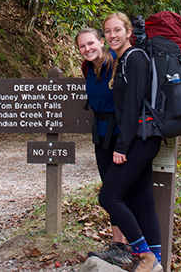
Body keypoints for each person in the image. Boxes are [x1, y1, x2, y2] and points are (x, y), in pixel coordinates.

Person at [98, 12, 163, 272]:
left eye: (117, 30)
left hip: (141, 139)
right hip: (142, 138)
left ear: (128, 32)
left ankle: (142, 254)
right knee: (143, 197)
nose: (112, 36)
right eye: (107, 32)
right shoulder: (122, 60)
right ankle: (153, 261)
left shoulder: (134, 58)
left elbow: (134, 105)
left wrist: (121, 147)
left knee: (109, 196)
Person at [75, 28, 133, 267]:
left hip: (121, 136)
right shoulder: (88, 68)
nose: (87, 49)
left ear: (101, 42)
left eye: (91, 43)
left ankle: (133, 246)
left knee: (119, 193)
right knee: (109, 191)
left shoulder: (118, 63)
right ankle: (118, 245)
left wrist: (125, 141)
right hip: (101, 135)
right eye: (82, 46)